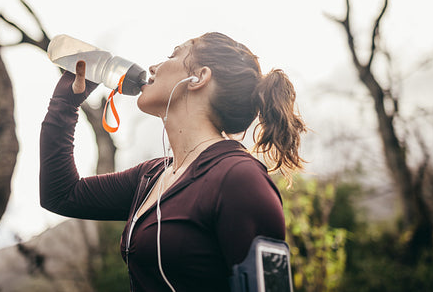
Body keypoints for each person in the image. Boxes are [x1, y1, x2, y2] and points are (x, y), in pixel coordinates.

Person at [39, 32, 306, 292]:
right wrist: (65, 103)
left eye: (173, 54)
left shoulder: (239, 178)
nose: (153, 67)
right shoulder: (151, 177)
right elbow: (61, 194)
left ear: (199, 77)